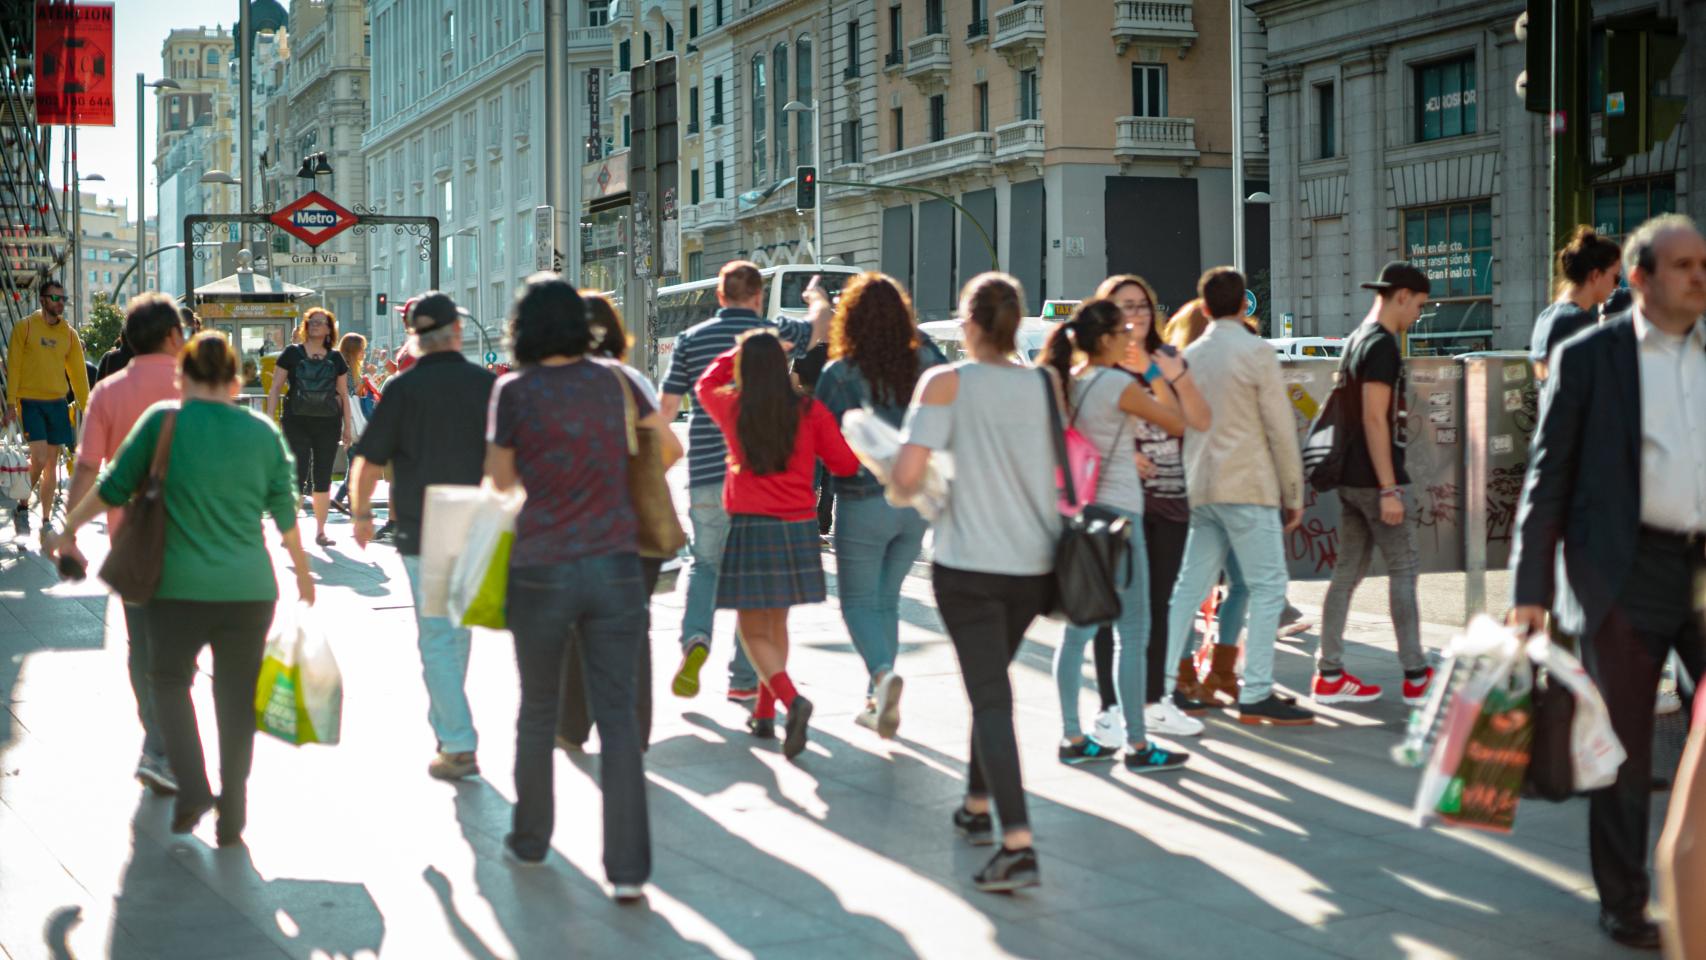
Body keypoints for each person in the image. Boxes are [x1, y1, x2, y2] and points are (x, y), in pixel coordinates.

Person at [1508, 214, 1706, 950]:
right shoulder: (1590, 357)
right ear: (1640, 278)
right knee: (1620, 746)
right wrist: (1530, 589)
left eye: (1704, 264)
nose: (1698, 276)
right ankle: (1626, 902)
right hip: (1623, 574)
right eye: (1682, 265)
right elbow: (1546, 477)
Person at [47, 331, 315, 847]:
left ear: (183, 377)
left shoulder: (163, 423)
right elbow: (285, 505)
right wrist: (302, 569)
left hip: (179, 587)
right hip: (252, 590)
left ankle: (193, 788)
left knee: (168, 681)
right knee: (236, 699)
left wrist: (67, 530)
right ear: (236, 380)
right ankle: (233, 810)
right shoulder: (261, 431)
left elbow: (113, 488)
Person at [483, 275, 668, 900]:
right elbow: (662, 448)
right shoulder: (616, 381)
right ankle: (628, 872)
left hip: (540, 564)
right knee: (617, 717)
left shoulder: (513, 391)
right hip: (615, 561)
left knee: (538, 708)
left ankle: (530, 841)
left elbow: (500, 484)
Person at [890, 272, 1057, 892]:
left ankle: (1017, 843)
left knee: (990, 695)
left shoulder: (944, 382)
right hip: (1036, 568)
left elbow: (906, 479)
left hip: (969, 564)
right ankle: (976, 804)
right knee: (990, 680)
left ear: (971, 323)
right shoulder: (1045, 385)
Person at [659, 261, 828, 703]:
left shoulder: (690, 341)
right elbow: (822, 326)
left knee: (706, 564)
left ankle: (696, 640)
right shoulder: (775, 334)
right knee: (751, 582)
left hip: (707, 476)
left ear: (719, 297)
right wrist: (815, 298)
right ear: (758, 296)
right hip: (756, 480)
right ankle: (744, 679)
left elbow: (666, 406)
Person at [1041, 299, 1193, 772]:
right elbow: (1175, 420)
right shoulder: (1116, 384)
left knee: (1077, 631)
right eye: (1124, 329)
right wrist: (1151, 372)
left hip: (1084, 517)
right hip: (1121, 524)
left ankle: (1072, 734)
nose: (1132, 336)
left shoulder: (1075, 382)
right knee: (1134, 632)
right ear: (1106, 338)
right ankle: (1140, 745)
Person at [350, 293, 495, 782]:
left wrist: (361, 512)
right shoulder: (485, 385)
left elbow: (367, 458)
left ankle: (456, 740)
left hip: (423, 525)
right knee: (459, 630)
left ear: (415, 338)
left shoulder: (403, 388)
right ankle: (449, 725)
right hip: (475, 521)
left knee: (436, 635)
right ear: (457, 332)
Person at [694, 330, 858, 757]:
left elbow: (704, 385)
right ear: (784, 368)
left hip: (751, 526)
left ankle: (790, 700)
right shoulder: (809, 410)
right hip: (799, 525)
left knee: (752, 629)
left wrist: (739, 351)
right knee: (777, 624)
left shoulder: (734, 407)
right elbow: (843, 462)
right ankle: (764, 715)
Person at [1161, 268, 1312, 726]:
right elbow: (1280, 427)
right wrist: (1293, 491)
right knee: (1268, 588)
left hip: (1201, 486)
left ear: (1203, 308)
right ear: (1243, 306)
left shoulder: (1190, 355)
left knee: (1188, 589)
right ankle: (1257, 691)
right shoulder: (1256, 352)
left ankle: (1162, 685)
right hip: (1248, 485)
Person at [60, 293, 185, 794]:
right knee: (179, 651)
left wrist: (68, 533)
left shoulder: (107, 391)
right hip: (195, 535)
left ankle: (156, 738)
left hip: (131, 540)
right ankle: (166, 742)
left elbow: (87, 467)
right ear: (175, 336)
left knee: (142, 646)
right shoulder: (195, 386)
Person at [813, 272, 947, 738]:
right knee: (886, 599)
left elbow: (823, 437)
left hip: (860, 500)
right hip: (915, 500)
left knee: (856, 602)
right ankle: (878, 695)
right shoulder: (926, 359)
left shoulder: (838, 373)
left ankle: (882, 676)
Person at [1087, 275, 1213, 747]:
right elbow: (1075, 431)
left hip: (1169, 498)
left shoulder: (1168, 358)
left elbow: (1196, 422)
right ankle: (1108, 707)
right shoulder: (1097, 366)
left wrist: (1163, 373)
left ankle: (1154, 701)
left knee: (1158, 603)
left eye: (1143, 305)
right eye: (1125, 307)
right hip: (1116, 500)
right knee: (1108, 607)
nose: (1136, 315)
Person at [554, 291, 681, 753]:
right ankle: (631, 731)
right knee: (631, 631)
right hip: (635, 532)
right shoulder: (632, 382)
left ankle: (571, 725)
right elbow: (671, 449)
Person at [1312, 262, 1435, 707]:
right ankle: (1416, 676)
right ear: (1401, 296)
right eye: (1419, 306)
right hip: (1374, 478)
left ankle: (1328, 673)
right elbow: (1372, 418)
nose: (1418, 315)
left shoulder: (1354, 340)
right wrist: (1388, 487)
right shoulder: (1381, 345)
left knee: (1347, 572)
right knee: (1403, 570)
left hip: (1349, 477)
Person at [4, 280, 90, 540]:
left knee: (52, 463)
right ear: (43, 300)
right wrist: (10, 403)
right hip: (30, 402)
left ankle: (44, 519)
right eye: (56, 298)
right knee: (39, 458)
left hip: (57, 404)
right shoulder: (26, 328)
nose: (61, 303)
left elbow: (78, 373)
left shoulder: (69, 334)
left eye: (64, 298)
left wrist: (88, 409)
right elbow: (14, 366)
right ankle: (22, 504)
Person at [265, 306, 352, 547]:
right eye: (311, 321)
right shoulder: (291, 353)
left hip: (328, 423)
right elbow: (275, 388)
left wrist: (347, 427)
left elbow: (343, 394)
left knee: (323, 475)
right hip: (296, 421)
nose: (314, 324)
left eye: (320, 322)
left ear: (328, 329)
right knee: (296, 474)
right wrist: (270, 419)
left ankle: (321, 531)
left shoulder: (336, 358)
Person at [1530, 226, 1622, 381]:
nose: (1617, 286)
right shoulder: (1578, 324)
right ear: (1596, 275)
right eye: (1616, 277)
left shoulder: (1545, 318)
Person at [330, 332, 368, 513]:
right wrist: (365, 383)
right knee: (357, 463)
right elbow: (350, 394)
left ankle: (344, 501)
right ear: (354, 351)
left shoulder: (341, 365)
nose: (364, 353)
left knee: (354, 462)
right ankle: (343, 500)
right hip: (350, 421)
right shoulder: (347, 368)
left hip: (346, 420)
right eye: (362, 350)